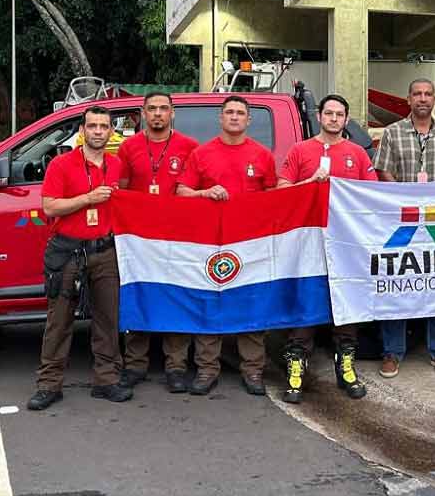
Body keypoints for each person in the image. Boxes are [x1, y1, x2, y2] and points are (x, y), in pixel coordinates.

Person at [28, 105, 132, 411]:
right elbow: (49, 208)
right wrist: (87, 198)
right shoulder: (61, 165)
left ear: (111, 131)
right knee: (59, 321)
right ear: (82, 131)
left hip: (105, 251)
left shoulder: (116, 166)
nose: (98, 131)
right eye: (92, 126)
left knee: (107, 319)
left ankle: (107, 380)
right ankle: (49, 385)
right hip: (68, 251)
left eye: (103, 126)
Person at [177, 96, 281, 395]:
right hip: (209, 242)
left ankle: (253, 371)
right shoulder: (201, 154)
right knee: (210, 302)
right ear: (220, 118)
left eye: (240, 113)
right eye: (229, 112)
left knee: (252, 304)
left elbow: (273, 199)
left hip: (250, 243)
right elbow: (182, 192)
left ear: (249, 120)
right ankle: (207, 369)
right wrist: (205, 193)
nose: (234, 117)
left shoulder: (262, 155)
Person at [276, 94, 376, 403]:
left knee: (345, 301)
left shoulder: (357, 153)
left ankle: (345, 365)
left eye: (340, 114)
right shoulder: (300, 150)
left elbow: (372, 193)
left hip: (346, 242)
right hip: (308, 241)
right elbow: (281, 190)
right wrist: (308, 182)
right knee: (307, 299)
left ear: (346, 120)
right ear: (319, 116)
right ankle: (296, 368)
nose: (334, 119)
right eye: (329, 113)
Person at [372, 78, 435, 377]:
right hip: (402, 219)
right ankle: (393, 351)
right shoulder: (392, 133)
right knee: (398, 281)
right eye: (417, 94)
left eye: (428, 94)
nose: (423, 99)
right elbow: (383, 170)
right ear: (408, 99)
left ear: (434, 99)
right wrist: (406, 198)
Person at [117, 91, 200, 394]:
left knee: (174, 299)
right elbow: (121, 191)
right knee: (139, 296)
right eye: (151, 109)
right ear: (142, 113)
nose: (157, 114)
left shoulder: (190, 147)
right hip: (138, 240)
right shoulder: (128, 147)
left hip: (176, 239)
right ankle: (134, 365)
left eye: (163, 109)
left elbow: (193, 191)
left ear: (172, 113)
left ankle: (176, 367)